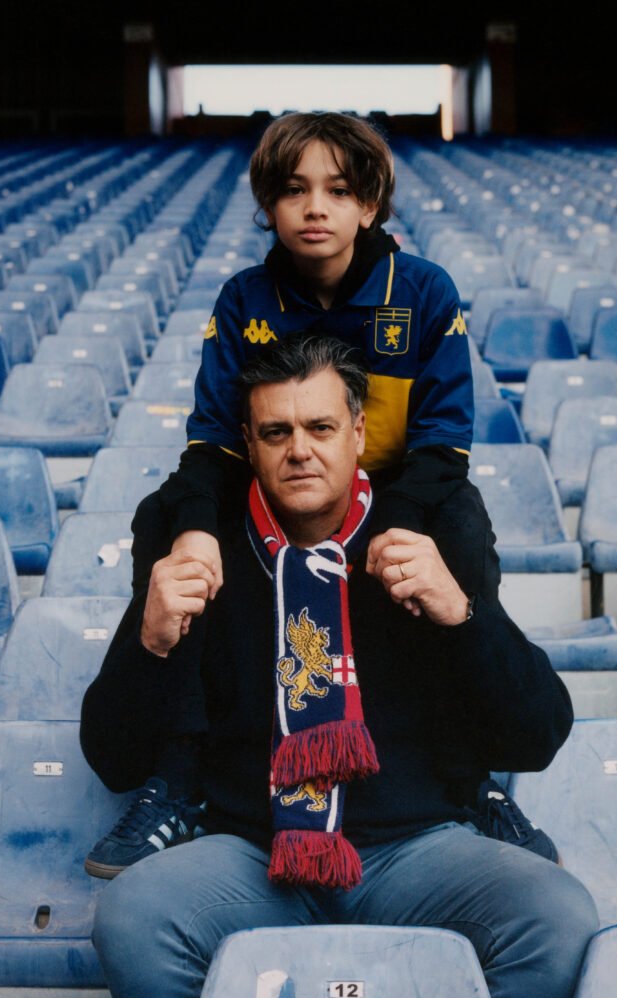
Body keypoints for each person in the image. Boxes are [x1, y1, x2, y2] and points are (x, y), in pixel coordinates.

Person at [81, 333, 598, 998]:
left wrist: (461, 615)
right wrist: (148, 643)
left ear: (358, 432)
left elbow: (537, 736)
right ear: (248, 443)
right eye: (277, 432)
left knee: (557, 916)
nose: (299, 450)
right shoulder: (205, 548)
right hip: (252, 855)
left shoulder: (424, 536)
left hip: (412, 850)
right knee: (132, 916)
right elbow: (113, 758)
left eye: (320, 428)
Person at [84, 112, 500, 877]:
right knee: (165, 519)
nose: (315, 208)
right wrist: (196, 527)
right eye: (294, 190)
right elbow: (215, 440)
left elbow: (443, 445)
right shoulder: (244, 298)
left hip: (394, 492)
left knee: (463, 527)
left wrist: (391, 528)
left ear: (368, 205)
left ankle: (466, 775)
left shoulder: (422, 290)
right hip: (278, 489)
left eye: (337, 190)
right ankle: (178, 776)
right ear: (268, 205)